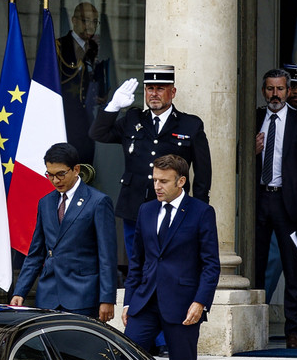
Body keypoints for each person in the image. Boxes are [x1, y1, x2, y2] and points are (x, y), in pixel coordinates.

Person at [88, 65, 212, 263]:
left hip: (171, 205)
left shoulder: (190, 125)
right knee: (136, 262)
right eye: (149, 88)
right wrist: (113, 107)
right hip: (134, 205)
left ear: (172, 92)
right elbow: (98, 133)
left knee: (168, 261)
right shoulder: (132, 119)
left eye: (160, 88)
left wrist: (198, 207)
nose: (154, 94)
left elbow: (202, 171)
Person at [122, 155, 220, 360]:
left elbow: (211, 264)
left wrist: (200, 302)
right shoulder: (146, 210)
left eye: (164, 181)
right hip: (145, 302)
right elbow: (137, 262)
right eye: (155, 180)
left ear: (181, 181)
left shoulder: (201, 212)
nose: (157, 186)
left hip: (183, 305)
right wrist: (128, 301)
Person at [10, 143, 117, 322]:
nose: (55, 180)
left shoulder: (98, 202)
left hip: (82, 294)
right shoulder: (45, 202)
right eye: (50, 175)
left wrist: (107, 298)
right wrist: (20, 291)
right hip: (48, 295)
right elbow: (36, 253)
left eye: (61, 174)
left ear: (76, 170)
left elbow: (107, 255)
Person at [254, 68, 297, 349]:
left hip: (290, 205)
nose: (275, 94)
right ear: (264, 91)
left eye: (280, 89)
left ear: (288, 91)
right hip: (260, 201)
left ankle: (293, 330)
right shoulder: (253, 119)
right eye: (270, 89)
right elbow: (233, 157)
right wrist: (249, 150)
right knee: (257, 266)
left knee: (293, 267)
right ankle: (255, 324)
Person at [56, 2, 107, 165]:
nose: (90, 26)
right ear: (74, 21)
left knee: (86, 167)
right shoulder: (59, 46)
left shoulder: (96, 48)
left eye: (95, 22)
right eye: (86, 21)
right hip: (65, 119)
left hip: (88, 121)